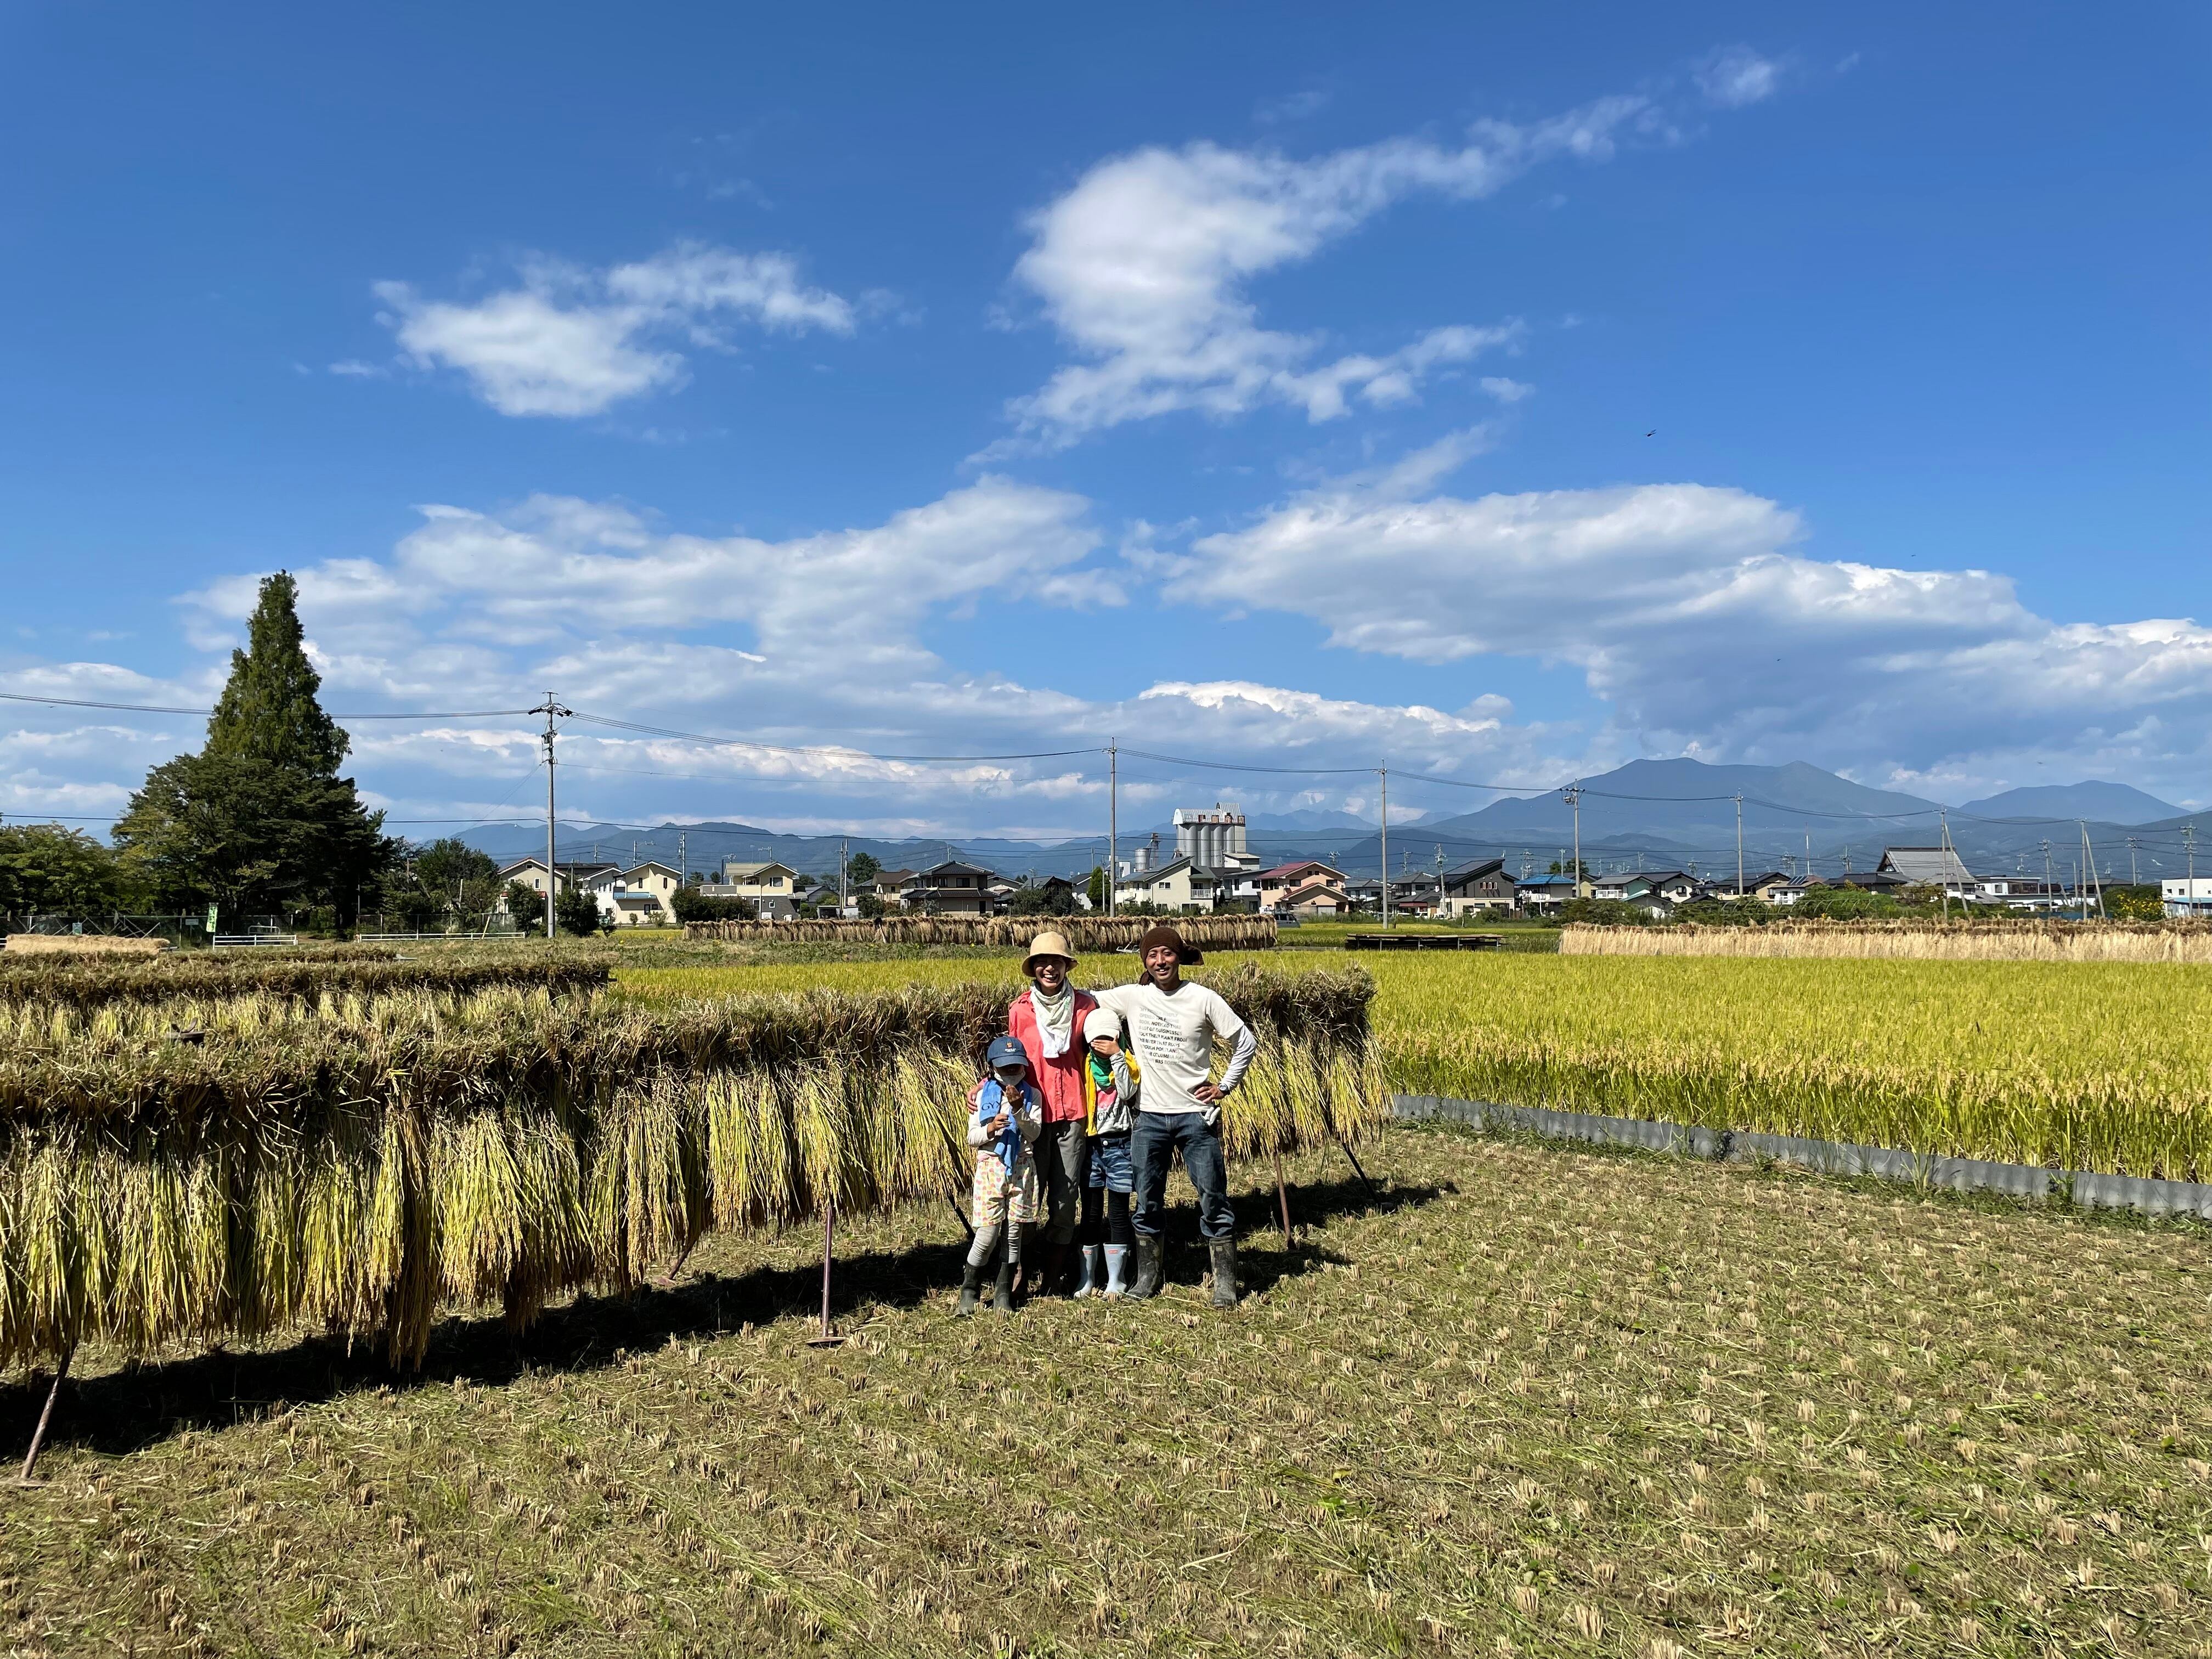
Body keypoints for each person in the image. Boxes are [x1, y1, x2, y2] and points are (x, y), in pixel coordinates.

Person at [1091, 924, 1257, 1308]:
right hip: (1149, 1117)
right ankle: (1147, 1277)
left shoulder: (1203, 998)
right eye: (1152, 955)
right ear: (1145, 962)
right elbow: (1085, 998)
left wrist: (1225, 1086)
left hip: (1196, 1116)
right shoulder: (1134, 997)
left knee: (1212, 1196)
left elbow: (1245, 1041)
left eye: (1167, 953)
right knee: (1147, 1199)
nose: (1160, 961)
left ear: (1179, 957)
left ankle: (1225, 1283)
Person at [1002, 930, 1099, 1295]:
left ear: (1066, 966)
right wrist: (985, 1087)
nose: (1049, 969)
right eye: (1042, 962)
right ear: (1033, 968)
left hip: (1073, 1114)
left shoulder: (1087, 1006)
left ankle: (1054, 1275)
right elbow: (1010, 1060)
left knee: (1065, 1198)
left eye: (1056, 961)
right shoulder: (1020, 1010)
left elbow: (1101, 1051)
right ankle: (1020, 1271)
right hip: (1032, 1117)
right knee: (1027, 1195)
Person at [958, 1035, 1043, 1317]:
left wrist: (1019, 1109)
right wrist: (991, 1129)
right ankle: (969, 1290)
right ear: (992, 1067)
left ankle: (1003, 1292)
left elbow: (1034, 1133)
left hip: (1023, 1167)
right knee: (987, 1234)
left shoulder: (1032, 1095)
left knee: (1014, 1232)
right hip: (991, 1167)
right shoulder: (982, 1096)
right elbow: (972, 1137)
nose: (1011, 1072)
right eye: (1005, 1067)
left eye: (1016, 1066)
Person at [1073, 1006, 1139, 1297]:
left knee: (1118, 1212)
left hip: (1121, 1145)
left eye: (1108, 1039)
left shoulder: (1129, 1063)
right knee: (1090, 1212)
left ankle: (1117, 1278)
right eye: (1096, 1040)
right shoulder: (1084, 1066)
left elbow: (1127, 1092)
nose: (1101, 1045)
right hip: (1092, 1146)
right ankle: (1086, 1278)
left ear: (1118, 1037)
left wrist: (1117, 1056)